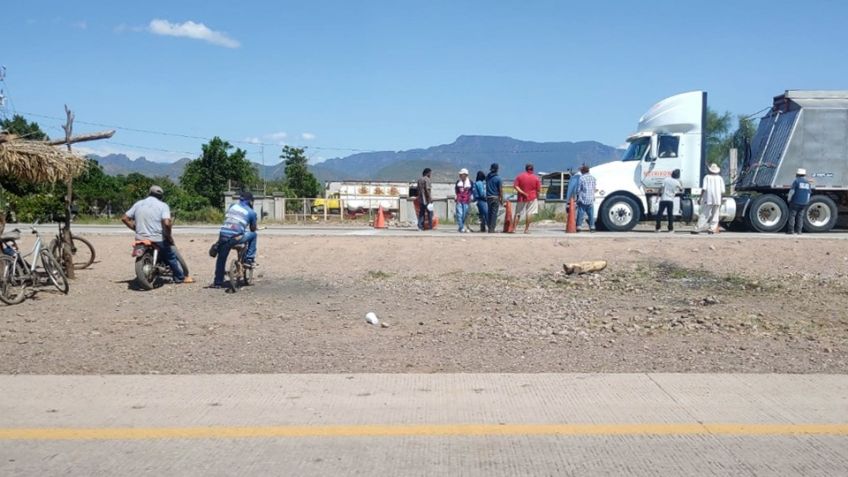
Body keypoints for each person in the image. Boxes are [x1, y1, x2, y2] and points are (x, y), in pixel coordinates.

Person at [121, 185, 191, 284]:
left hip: (140, 237)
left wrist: (135, 229)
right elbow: (166, 223)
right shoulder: (163, 206)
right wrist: (169, 236)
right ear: (161, 196)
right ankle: (180, 278)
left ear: (149, 193)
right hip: (157, 238)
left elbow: (124, 218)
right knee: (170, 256)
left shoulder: (138, 204)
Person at [212, 191, 258, 288]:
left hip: (223, 236)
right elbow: (252, 228)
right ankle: (249, 259)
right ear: (250, 201)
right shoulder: (251, 212)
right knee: (253, 235)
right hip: (236, 237)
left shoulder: (232, 206)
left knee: (221, 258)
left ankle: (218, 282)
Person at [692, 163, 725, 234]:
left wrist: (700, 198)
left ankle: (698, 228)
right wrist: (721, 199)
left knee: (705, 214)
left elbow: (704, 188)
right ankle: (712, 229)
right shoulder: (720, 178)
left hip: (708, 198)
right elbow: (722, 191)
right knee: (715, 214)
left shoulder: (707, 177)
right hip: (717, 199)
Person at [513, 163, 542, 234]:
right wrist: (537, 197)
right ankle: (526, 230)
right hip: (532, 197)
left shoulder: (520, 176)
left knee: (518, 213)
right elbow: (538, 190)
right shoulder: (536, 178)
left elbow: (515, 186)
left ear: (525, 169)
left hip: (521, 198)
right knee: (529, 213)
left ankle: (514, 229)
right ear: (532, 169)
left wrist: (522, 193)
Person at [787, 168, 813, 235]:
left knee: (792, 216)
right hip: (804, 203)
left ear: (797, 174)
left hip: (795, 201)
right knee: (800, 217)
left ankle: (791, 231)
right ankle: (799, 231)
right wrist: (807, 201)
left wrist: (789, 198)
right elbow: (808, 193)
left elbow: (792, 191)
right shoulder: (808, 183)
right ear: (805, 175)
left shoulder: (796, 181)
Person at [576, 165, 596, 232]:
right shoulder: (593, 178)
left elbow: (579, 189)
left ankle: (579, 226)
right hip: (591, 198)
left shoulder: (581, 178)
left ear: (583, 171)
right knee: (591, 214)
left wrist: (577, 196)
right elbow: (594, 188)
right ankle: (592, 227)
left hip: (583, 198)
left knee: (581, 213)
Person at [485, 163, 503, 233]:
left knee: (489, 213)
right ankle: (491, 229)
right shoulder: (498, 178)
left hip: (488, 197)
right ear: (497, 169)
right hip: (495, 197)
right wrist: (502, 199)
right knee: (494, 214)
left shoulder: (488, 177)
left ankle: (489, 227)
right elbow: (500, 190)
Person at [454, 168, 473, 233]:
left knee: (465, 214)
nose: (460, 175)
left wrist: (470, 198)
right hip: (459, 200)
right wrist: (456, 197)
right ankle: (461, 227)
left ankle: (463, 226)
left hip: (466, 200)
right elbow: (456, 190)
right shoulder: (458, 182)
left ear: (465, 175)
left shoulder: (470, 182)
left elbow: (471, 191)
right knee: (459, 214)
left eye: (461, 174)